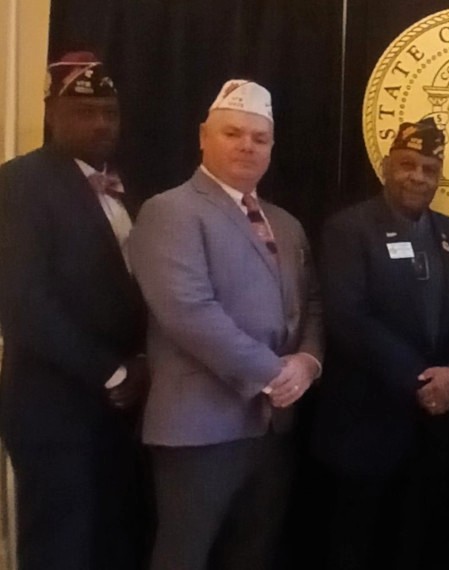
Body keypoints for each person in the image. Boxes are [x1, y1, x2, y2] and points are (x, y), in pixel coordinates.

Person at [129, 79, 323, 570]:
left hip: (271, 430)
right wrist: (275, 373)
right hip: (199, 430)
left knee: (253, 555)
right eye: (232, 133)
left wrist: (308, 361)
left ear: (272, 146)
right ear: (202, 136)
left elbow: (313, 303)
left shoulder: (287, 223)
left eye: (259, 138)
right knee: (184, 556)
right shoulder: (169, 210)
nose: (246, 146)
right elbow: (188, 311)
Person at [310, 117, 449, 569]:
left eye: (428, 168)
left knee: (420, 546)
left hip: (435, 433)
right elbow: (349, 319)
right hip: (366, 427)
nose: (417, 176)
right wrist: (420, 380)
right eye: (407, 164)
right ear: (387, 166)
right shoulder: (348, 230)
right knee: (356, 547)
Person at [0, 51, 149, 570]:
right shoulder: (19, 183)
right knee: (60, 551)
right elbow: (22, 303)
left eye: (109, 111)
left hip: (119, 414)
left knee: (111, 545)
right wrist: (112, 372)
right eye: (85, 112)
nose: (102, 123)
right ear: (50, 113)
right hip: (54, 413)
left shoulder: (124, 184)